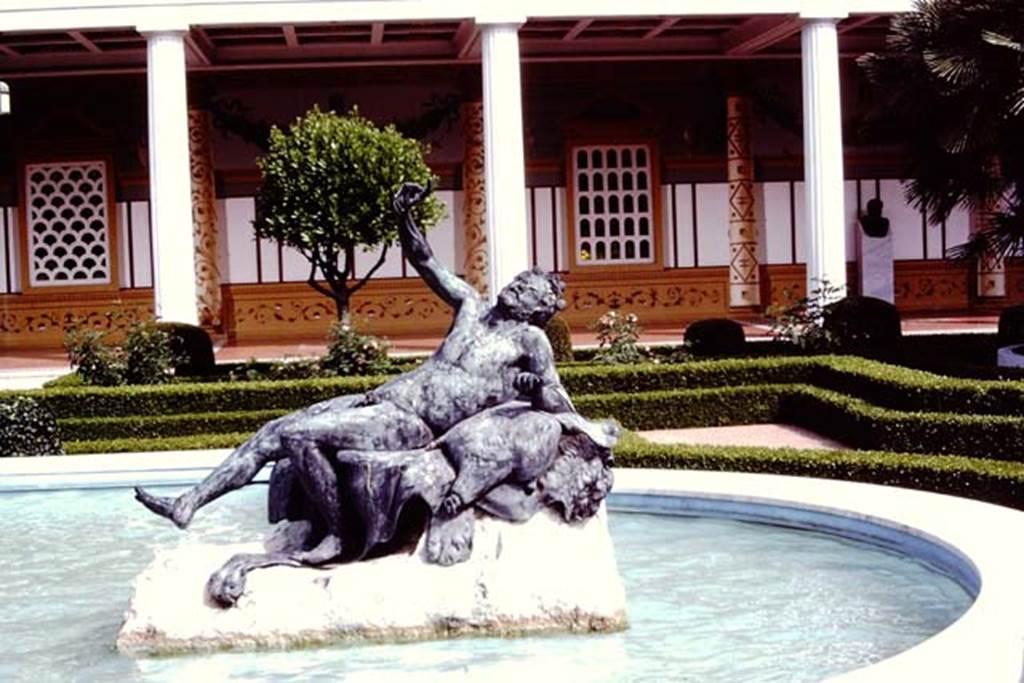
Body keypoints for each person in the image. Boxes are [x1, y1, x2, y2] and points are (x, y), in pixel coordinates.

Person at [135, 182, 578, 564]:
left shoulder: (530, 343)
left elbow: (558, 403)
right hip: (383, 400)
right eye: (519, 281)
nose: (515, 287)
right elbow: (425, 261)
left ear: (538, 310)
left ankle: (339, 533)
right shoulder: (470, 305)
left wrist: (532, 387)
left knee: (300, 438)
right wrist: (404, 216)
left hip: (412, 425)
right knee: (274, 431)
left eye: (527, 290)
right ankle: (189, 502)